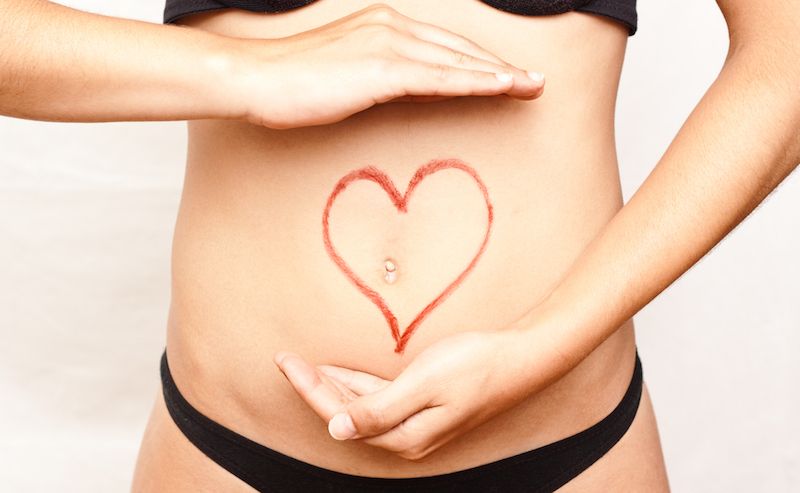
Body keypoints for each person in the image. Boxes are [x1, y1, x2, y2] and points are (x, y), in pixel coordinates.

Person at [2, 1, 798, 491]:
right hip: (231, 454)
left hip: (566, 450)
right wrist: (247, 70)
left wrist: (541, 345)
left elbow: (788, 56)